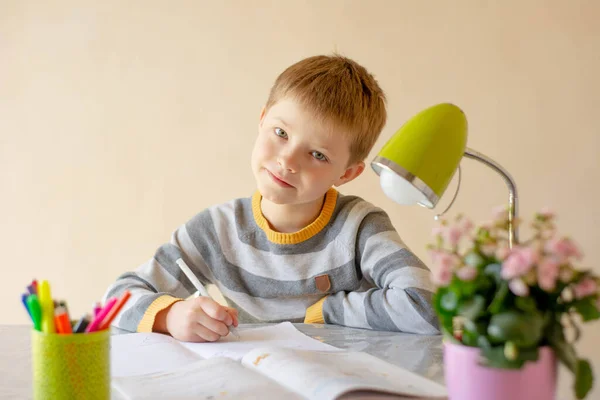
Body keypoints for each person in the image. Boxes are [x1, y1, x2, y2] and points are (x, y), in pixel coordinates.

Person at [104, 54, 439, 342]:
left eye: (318, 155)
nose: (288, 162)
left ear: (347, 174)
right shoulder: (216, 231)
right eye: (281, 133)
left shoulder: (360, 228)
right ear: (262, 119)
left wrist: (326, 311)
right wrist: (172, 316)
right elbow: (115, 300)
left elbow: (426, 306)